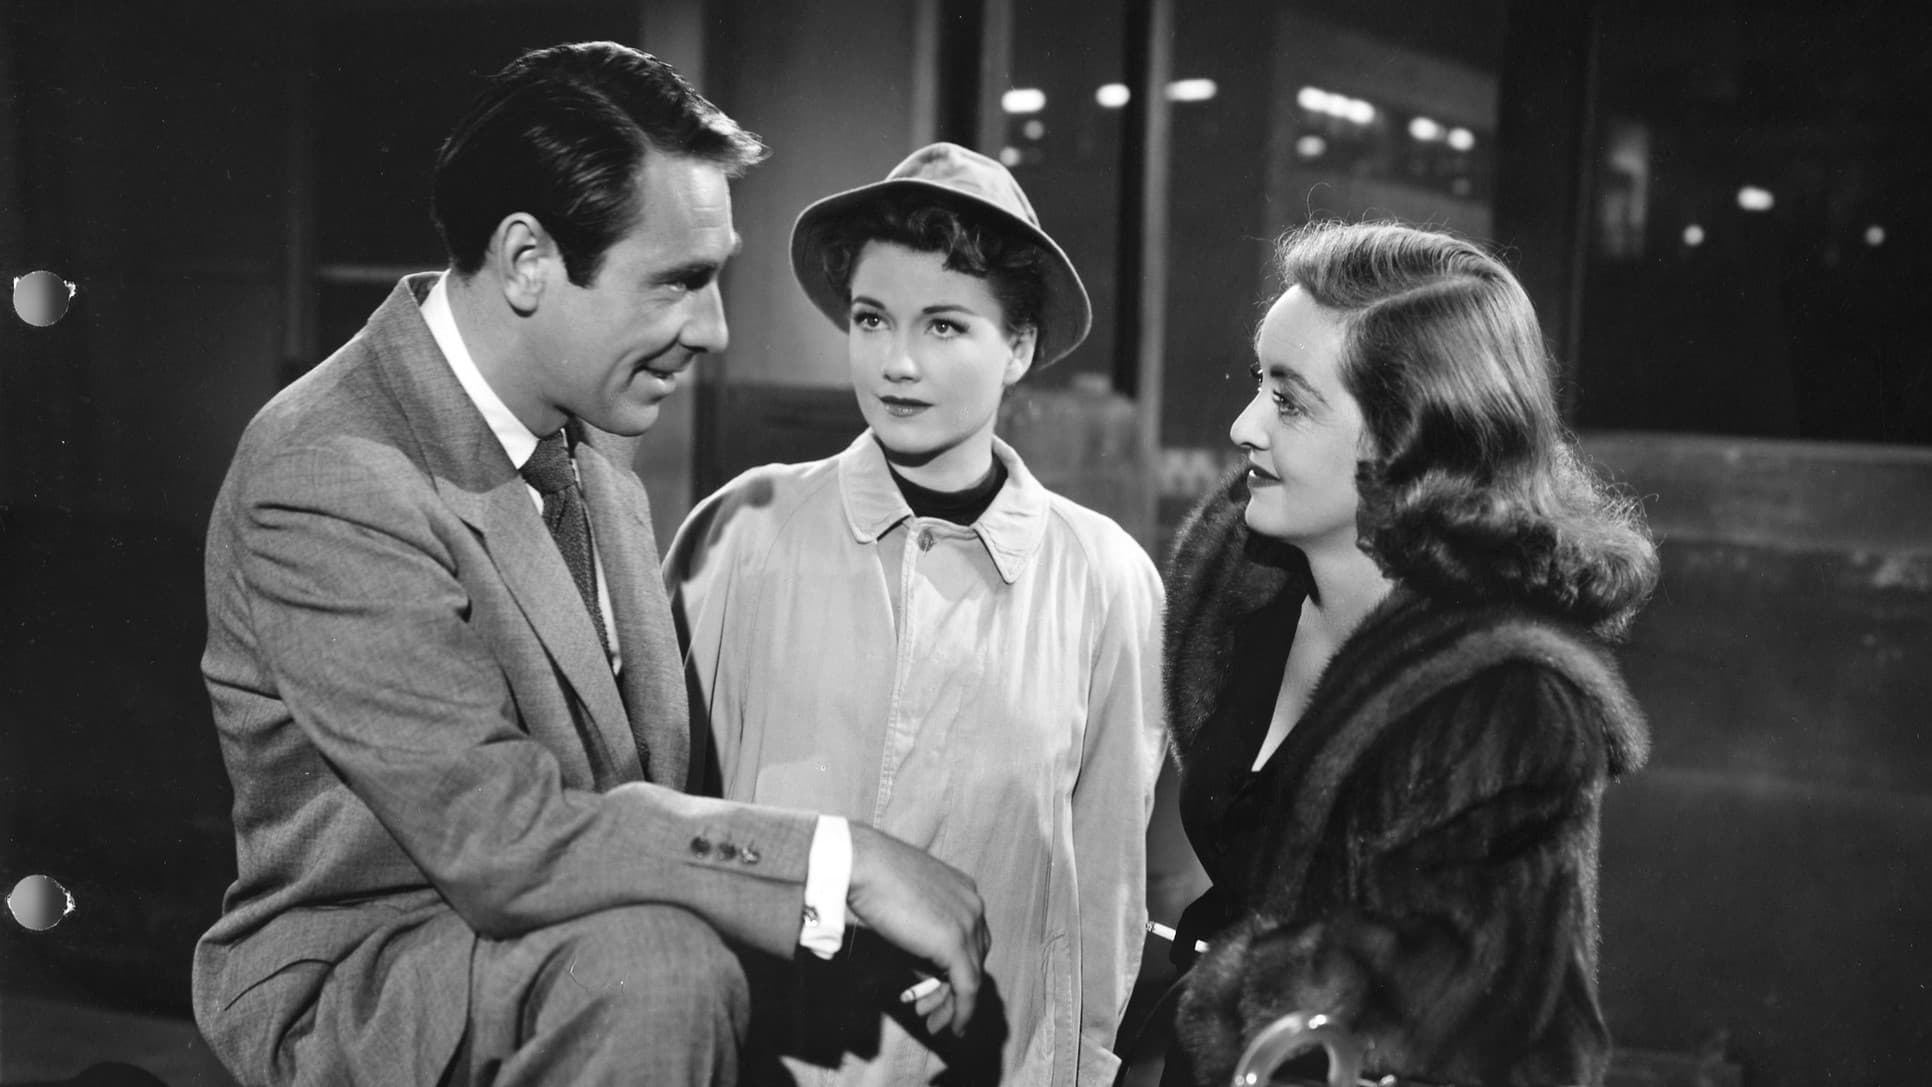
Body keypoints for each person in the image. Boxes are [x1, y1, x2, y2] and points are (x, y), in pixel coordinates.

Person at [193, 43, 988, 1087]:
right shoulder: (332, 470)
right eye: (680, 282)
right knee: (660, 969)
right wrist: (837, 862)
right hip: (371, 986)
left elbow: (632, 796)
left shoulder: (592, 448)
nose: (714, 329)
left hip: (565, 942)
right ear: (528, 261)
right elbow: (496, 832)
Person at [665, 143, 1165, 1086]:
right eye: (872, 319)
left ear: (1018, 347)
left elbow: (1104, 904)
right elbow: (665, 823)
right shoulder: (743, 531)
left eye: (944, 325)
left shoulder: (1105, 581)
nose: (897, 363)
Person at [1158, 221, 1658, 1087]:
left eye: (1289, 401)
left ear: (1406, 436)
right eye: (1258, 382)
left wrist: (1236, 1002)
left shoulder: (1508, 706)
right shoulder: (1249, 590)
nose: (1243, 425)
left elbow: (1521, 1039)